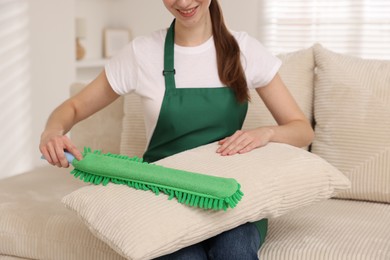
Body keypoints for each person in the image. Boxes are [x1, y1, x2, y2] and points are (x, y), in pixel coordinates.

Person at [40, 0, 314, 259]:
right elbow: (75, 107)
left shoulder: (244, 50)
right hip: (163, 195)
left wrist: (265, 133)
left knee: (235, 251)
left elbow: (302, 130)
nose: (183, 3)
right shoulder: (142, 53)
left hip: (228, 194)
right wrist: (52, 131)